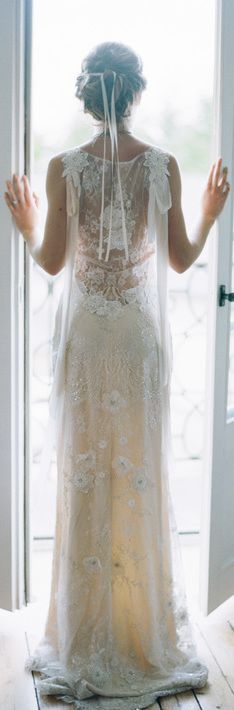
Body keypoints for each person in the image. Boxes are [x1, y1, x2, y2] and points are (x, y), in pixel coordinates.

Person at [4, 40, 230, 710]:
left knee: (88, 473)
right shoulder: (161, 165)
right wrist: (214, 212)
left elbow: (50, 264)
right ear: (135, 95)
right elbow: (183, 262)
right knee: (139, 473)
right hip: (136, 341)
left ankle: (86, 634)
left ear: (87, 95)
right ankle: (140, 634)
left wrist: (25, 225)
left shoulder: (61, 168)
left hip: (89, 338)